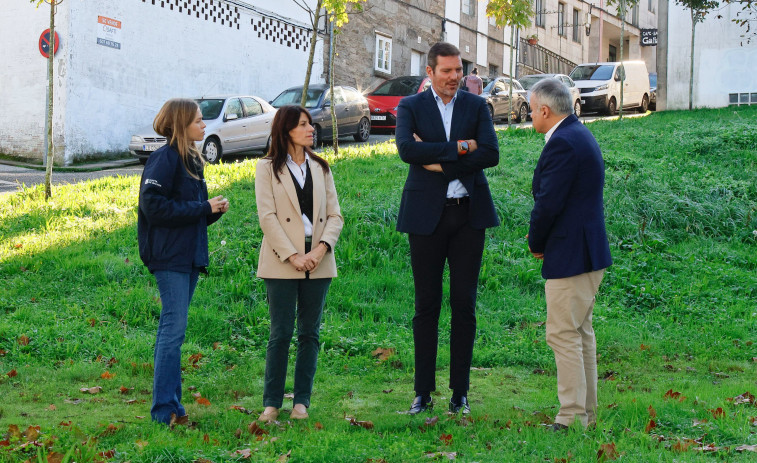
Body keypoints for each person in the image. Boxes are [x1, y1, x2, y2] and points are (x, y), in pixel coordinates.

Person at [395, 42, 499, 415]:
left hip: (468, 217)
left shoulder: (475, 105)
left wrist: (440, 160)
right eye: (448, 71)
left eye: (459, 70)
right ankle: (423, 392)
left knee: (464, 306)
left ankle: (460, 393)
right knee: (426, 306)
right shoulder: (410, 106)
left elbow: (491, 153)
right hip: (425, 218)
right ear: (431, 73)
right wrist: (461, 149)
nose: (456, 77)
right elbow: (407, 150)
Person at [526, 78, 613, 430]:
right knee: (579, 333)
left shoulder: (563, 143)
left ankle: (572, 417)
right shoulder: (577, 134)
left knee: (562, 334)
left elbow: (548, 203)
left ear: (545, 111)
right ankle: (585, 414)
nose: (530, 114)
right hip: (586, 251)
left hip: (571, 253)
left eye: (531, 109)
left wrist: (536, 242)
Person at [138, 98, 230, 426]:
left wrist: (211, 211)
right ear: (181, 124)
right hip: (169, 256)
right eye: (198, 121)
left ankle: (174, 408)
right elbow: (153, 207)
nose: (204, 126)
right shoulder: (164, 159)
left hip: (188, 256)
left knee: (175, 331)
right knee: (172, 331)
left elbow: (191, 217)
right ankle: (164, 413)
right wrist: (203, 208)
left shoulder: (190, 160)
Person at [255, 105, 344, 422]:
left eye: (310, 124)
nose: (311, 129)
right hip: (282, 260)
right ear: (287, 130)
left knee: (310, 333)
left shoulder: (321, 167)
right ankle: (271, 404)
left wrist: (319, 250)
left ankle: (301, 403)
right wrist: (293, 255)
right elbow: (267, 217)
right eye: (303, 124)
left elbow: (335, 216)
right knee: (280, 333)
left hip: (318, 260)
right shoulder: (266, 168)